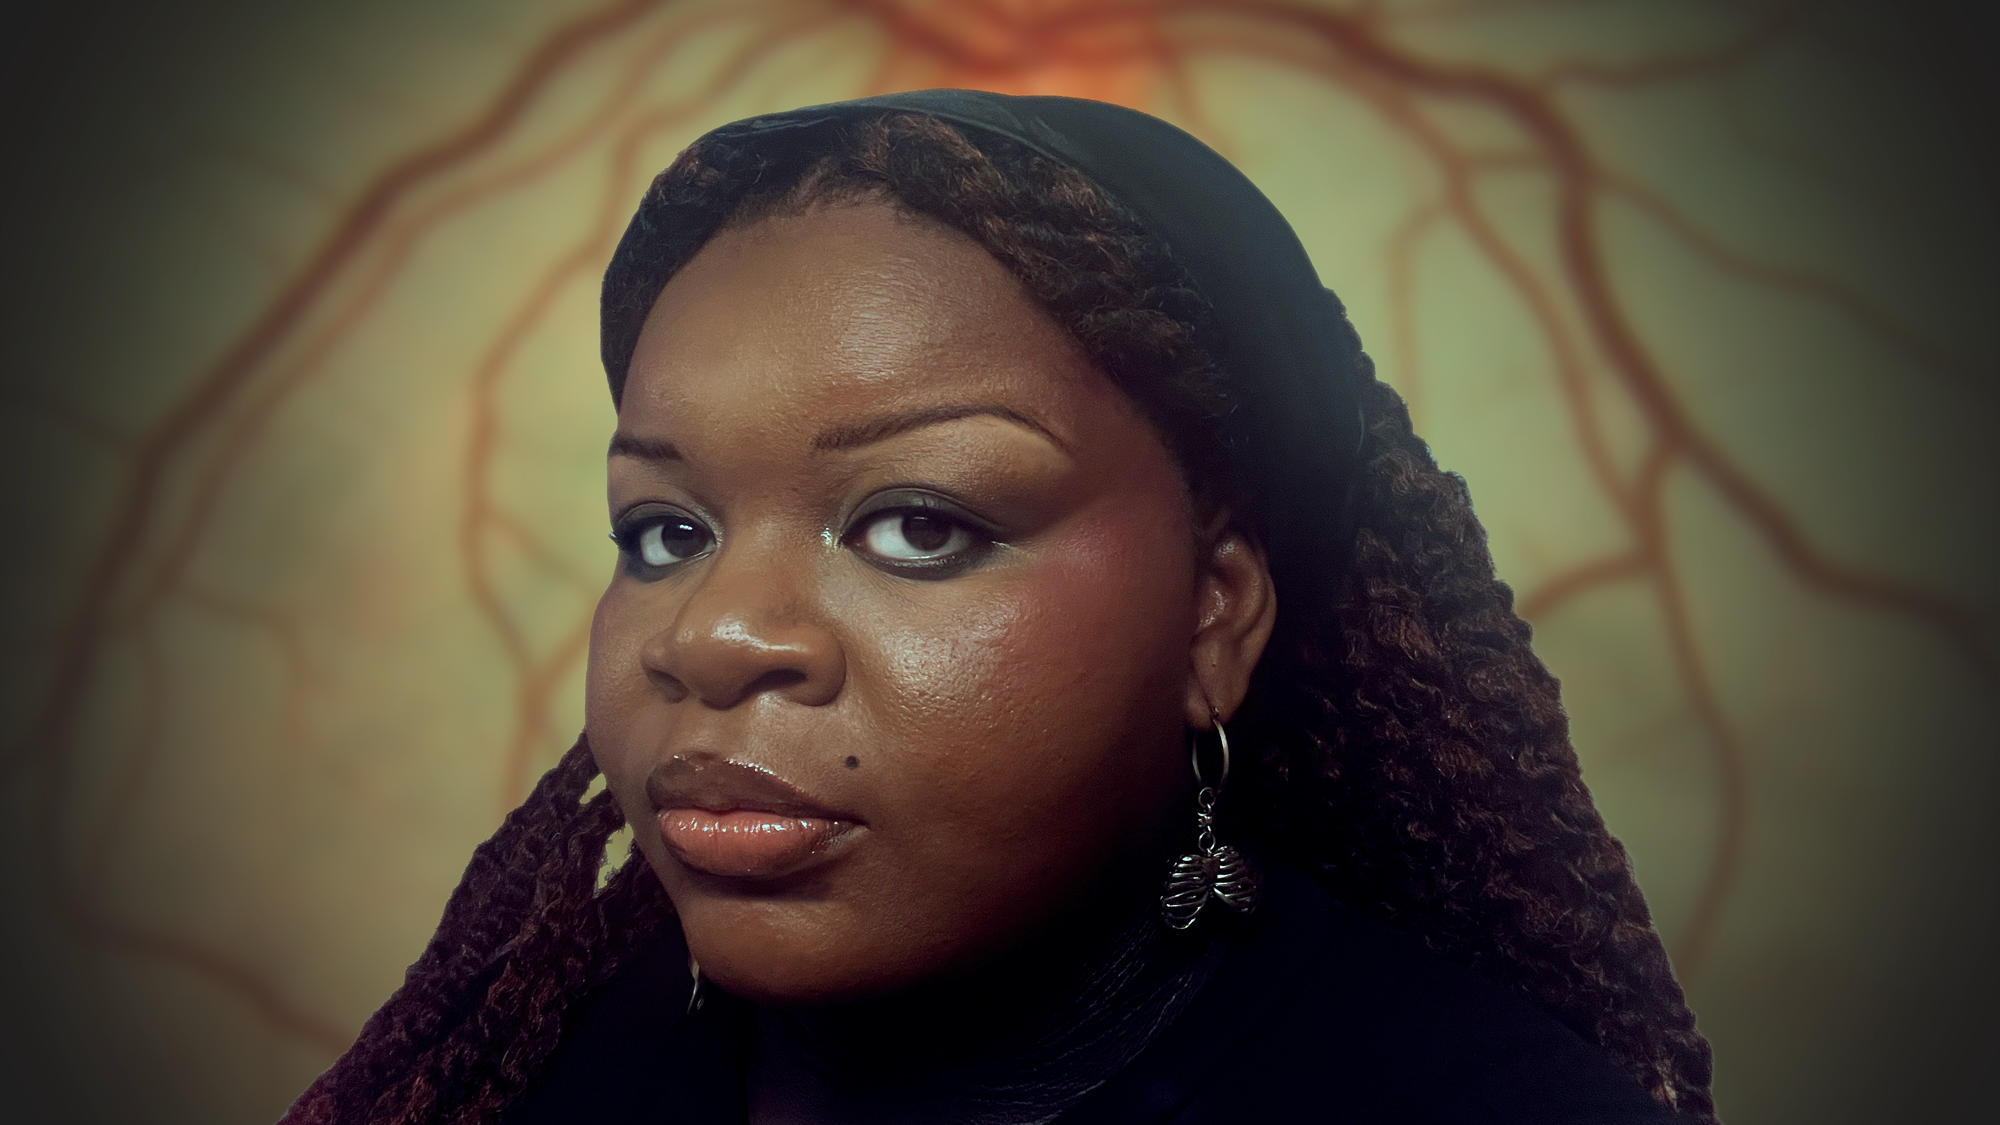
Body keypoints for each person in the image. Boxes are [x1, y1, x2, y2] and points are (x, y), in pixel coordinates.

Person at [280, 90, 1714, 1125]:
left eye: (918, 524)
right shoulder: (542, 1066)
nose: (713, 635)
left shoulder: (1486, 1103)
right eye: (664, 530)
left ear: (1215, 618)